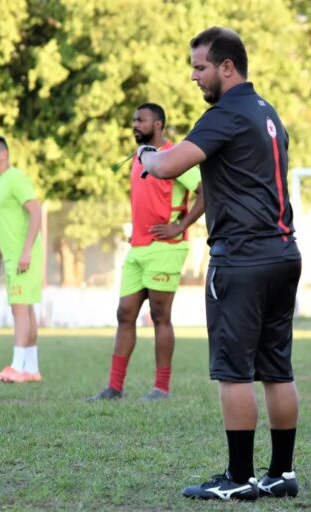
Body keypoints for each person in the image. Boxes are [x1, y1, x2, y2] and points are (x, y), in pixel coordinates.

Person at [136, 27, 302, 501]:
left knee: (234, 372)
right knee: (277, 370)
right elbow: (225, 178)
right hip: (283, 253)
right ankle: (282, 474)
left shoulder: (224, 114)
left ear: (227, 67)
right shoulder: (267, 112)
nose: (194, 76)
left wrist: (148, 153)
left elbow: (167, 167)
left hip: (242, 261)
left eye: (200, 66)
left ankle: (239, 478)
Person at [86, 103, 204, 402]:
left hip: (166, 249)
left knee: (159, 315)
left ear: (159, 124)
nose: (135, 124)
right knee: (124, 313)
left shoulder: (174, 157)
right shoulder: (139, 158)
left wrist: (180, 226)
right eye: (133, 119)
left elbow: (207, 192)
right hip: (137, 248)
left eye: (141, 120)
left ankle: (161, 388)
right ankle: (114, 388)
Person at [0, 135, 44, 384]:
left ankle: (17, 367)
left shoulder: (15, 178)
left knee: (20, 311)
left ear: (3, 154)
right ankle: (31, 369)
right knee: (25, 310)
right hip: (11, 258)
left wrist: (27, 251)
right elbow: (7, 226)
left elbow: (36, 211)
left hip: (23, 257)